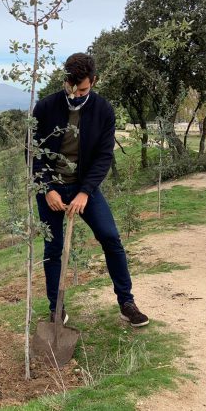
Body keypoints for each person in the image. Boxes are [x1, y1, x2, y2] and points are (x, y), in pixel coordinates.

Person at [32, 53, 149, 327]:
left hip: (84, 188)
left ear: (93, 81)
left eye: (83, 89)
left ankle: (126, 302)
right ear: (65, 81)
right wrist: (48, 189)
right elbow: (34, 153)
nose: (75, 95)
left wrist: (85, 192)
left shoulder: (103, 110)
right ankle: (56, 309)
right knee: (53, 248)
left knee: (110, 238)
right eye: (71, 89)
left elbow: (103, 157)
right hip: (50, 189)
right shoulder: (45, 107)